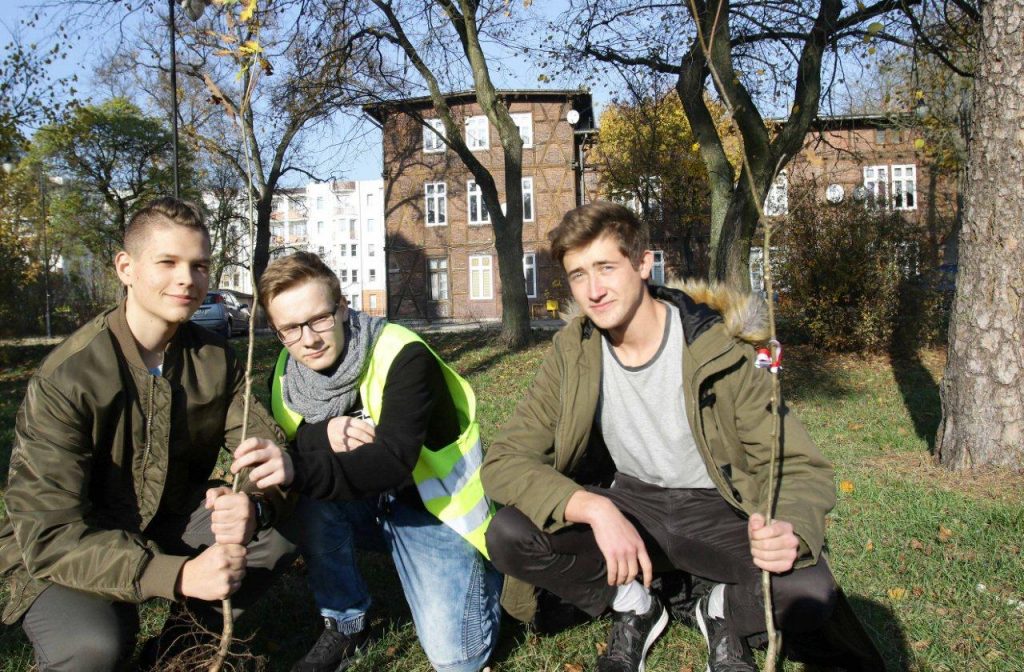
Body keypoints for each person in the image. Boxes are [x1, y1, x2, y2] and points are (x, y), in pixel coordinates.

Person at [480, 201, 859, 672]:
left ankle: (718, 608)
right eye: (578, 275)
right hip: (632, 502)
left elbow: (795, 464)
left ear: (643, 264)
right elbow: (504, 460)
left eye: (605, 267)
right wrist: (594, 508)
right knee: (509, 534)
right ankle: (636, 604)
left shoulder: (718, 347)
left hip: (717, 509)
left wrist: (789, 527)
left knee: (808, 590)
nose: (593, 291)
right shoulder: (573, 352)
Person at [0, 197, 295, 671]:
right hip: (74, 548)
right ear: (126, 267)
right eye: (168, 262)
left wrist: (253, 502)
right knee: (93, 648)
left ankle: (178, 655)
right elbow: (51, 533)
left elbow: (265, 449)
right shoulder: (68, 378)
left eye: (199, 265)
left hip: (169, 519)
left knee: (274, 532)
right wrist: (177, 575)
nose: (187, 278)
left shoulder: (217, 359)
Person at [231, 252, 501, 672]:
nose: (309, 339)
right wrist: (324, 435)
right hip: (361, 504)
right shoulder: (286, 369)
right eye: (290, 329)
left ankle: (492, 574)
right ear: (277, 331)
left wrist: (300, 464)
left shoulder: (402, 354)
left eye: (319, 319)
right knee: (310, 496)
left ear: (342, 308)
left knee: (458, 661)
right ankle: (346, 624)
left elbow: (393, 460)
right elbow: (293, 437)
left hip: (431, 507)